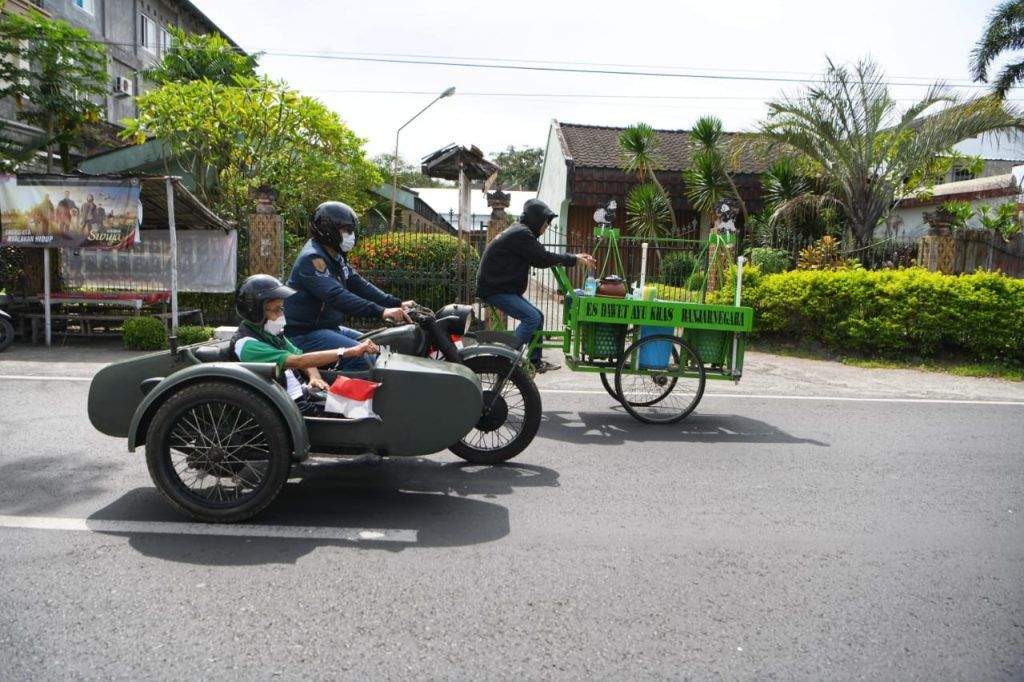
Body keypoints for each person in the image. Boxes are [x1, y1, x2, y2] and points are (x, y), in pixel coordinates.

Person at [284, 201, 413, 370]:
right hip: (305, 334)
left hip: (329, 329)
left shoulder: (334, 255)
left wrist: (395, 303)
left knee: (382, 347)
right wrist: (381, 312)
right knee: (368, 358)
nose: (351, 235)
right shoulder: (312, 259)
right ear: (328, 230)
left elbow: (358, 284)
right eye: (346, 230)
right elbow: (336, 295)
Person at [477, 198, 596, 373]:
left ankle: (534, 361)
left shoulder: (521, 232)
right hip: (496, 289)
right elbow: (543, 258)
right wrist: (574, 260)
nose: (546, 227)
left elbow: (540, 257)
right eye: (545, 223)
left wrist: (574, 257)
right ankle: (504, 360)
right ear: (536, 220)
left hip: (501, 287)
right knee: (531, 317)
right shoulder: (522, 234)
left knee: (537, 316)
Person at [231, 274, 378, 414]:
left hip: (305, 395)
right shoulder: (248, 345)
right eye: (276, 310)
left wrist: (315, 377)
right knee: (362, 411)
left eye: (282, 309)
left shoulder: (271, 334)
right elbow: (297, 361)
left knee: (369, 400)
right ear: (256, 312)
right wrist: (348, 352)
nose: (281, 316)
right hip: (292, 407)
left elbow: (301, 355)